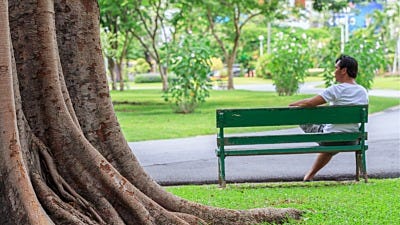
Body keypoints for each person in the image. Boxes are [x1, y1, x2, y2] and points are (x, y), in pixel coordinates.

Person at [289, 55, 368, 181]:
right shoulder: (363, 91)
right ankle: (309, 176)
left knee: (300, 115)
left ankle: (309, 176)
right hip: (352, 138)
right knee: (331, 141)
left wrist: (291, 107)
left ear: (343, 70)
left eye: (336, 68)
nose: (334, 71)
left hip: (330, 138)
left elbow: (310, 103)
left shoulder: (336, 89)